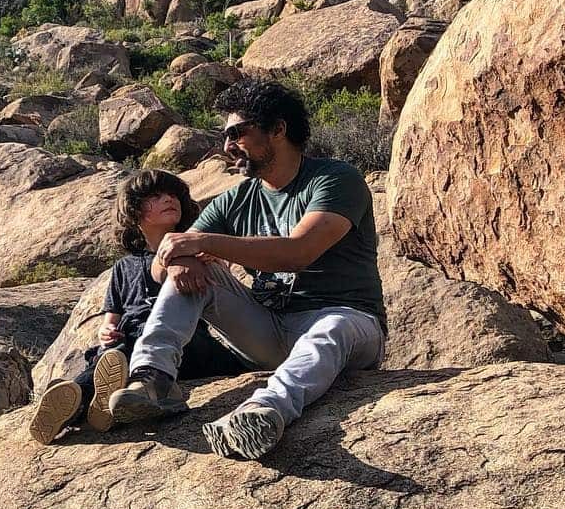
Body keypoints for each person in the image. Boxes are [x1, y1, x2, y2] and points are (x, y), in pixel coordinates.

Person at [107, 77, 387, 461]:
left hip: (348, 322)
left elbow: (298, 252)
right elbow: (160, 269)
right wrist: (179, 259)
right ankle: (152, 380)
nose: (227, 146)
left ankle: (263, 412)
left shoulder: (336, 180)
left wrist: (200, 244)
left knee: (331, 329)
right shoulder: (238, 198)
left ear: (277, 129)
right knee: (189, 274)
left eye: (237, 132)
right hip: (270, 329)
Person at [28, 169, 242, 444]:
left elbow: (219, 287)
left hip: (184, 344)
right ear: (134, 212)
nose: (169, 199)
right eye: (156, 196)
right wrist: (107, 331)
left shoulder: (195, 248)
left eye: (173, 195)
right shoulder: (123, 268)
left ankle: (83, 396)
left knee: (125, 352)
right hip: (131, 342)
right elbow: (111, 317)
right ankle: (84, 405)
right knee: (112, 352)